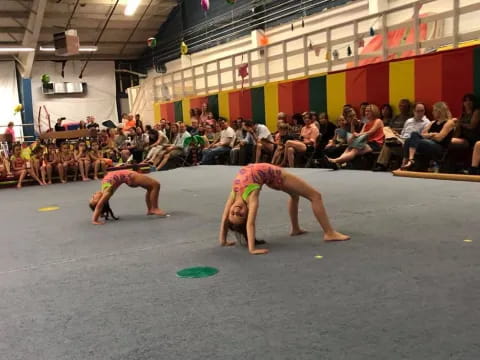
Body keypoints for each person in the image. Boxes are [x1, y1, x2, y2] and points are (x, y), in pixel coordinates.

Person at [219, 163, 350, 255]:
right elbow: (250, 224)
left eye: (233, 213)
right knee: (315, 196)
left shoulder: (234, 194)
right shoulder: (251, 197)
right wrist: (252, 249)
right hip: (278, 177)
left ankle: (295, 229)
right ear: (246, 212)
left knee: (294, 195)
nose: (236, 211)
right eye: (240, 215)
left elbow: (224, 218)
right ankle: (329, 233)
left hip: (271, 178)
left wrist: (223, 241)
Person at [89, 170, 167, 225]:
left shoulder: (104, 188)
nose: (93, 195)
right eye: (94, 198)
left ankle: (150, 209)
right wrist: (95, 220)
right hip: (131, 177)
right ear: (100, 201)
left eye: (92, 197)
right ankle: (154, 208)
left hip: (129, 176)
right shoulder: (106, 192)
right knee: (156, 185)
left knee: (150, 188)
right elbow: (99, 206)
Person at [372, 102, 430, 171]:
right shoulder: (409, 121)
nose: (420, 113)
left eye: (422, 111)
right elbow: (403, 133)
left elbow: (423, 136)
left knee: (391, 143)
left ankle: (382, 164)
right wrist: (397, 135)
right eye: (418, 111)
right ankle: (381, 165)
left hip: (413, 143)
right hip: (402, 139)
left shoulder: (427, 122)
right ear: (413, 111)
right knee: (387, 133)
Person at [400, 101, 455, 171]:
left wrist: (428, 135)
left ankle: (408, 161)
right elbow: (422, 134)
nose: (432, 113)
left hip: (440, 148)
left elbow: (440, 138)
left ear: (439, 111)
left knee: (413, 139)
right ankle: (408, 161)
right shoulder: (433, 122)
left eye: (434, 111)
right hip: (429, 144)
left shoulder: (449, 122)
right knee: (411, 137)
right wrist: (432, 134)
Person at [325, 104, 384, 169]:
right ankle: (338, 162)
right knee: (349, 148)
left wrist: (357, 135)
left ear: (374, 111)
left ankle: (336, 161)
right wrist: (352, 126)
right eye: (366, 111)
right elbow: (358, 134)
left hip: (376, 144)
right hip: (366, 142)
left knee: (355, 150)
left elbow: (370, 132)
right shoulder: (366, 123)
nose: (366, 112)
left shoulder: (378, 121)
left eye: (368, 111)